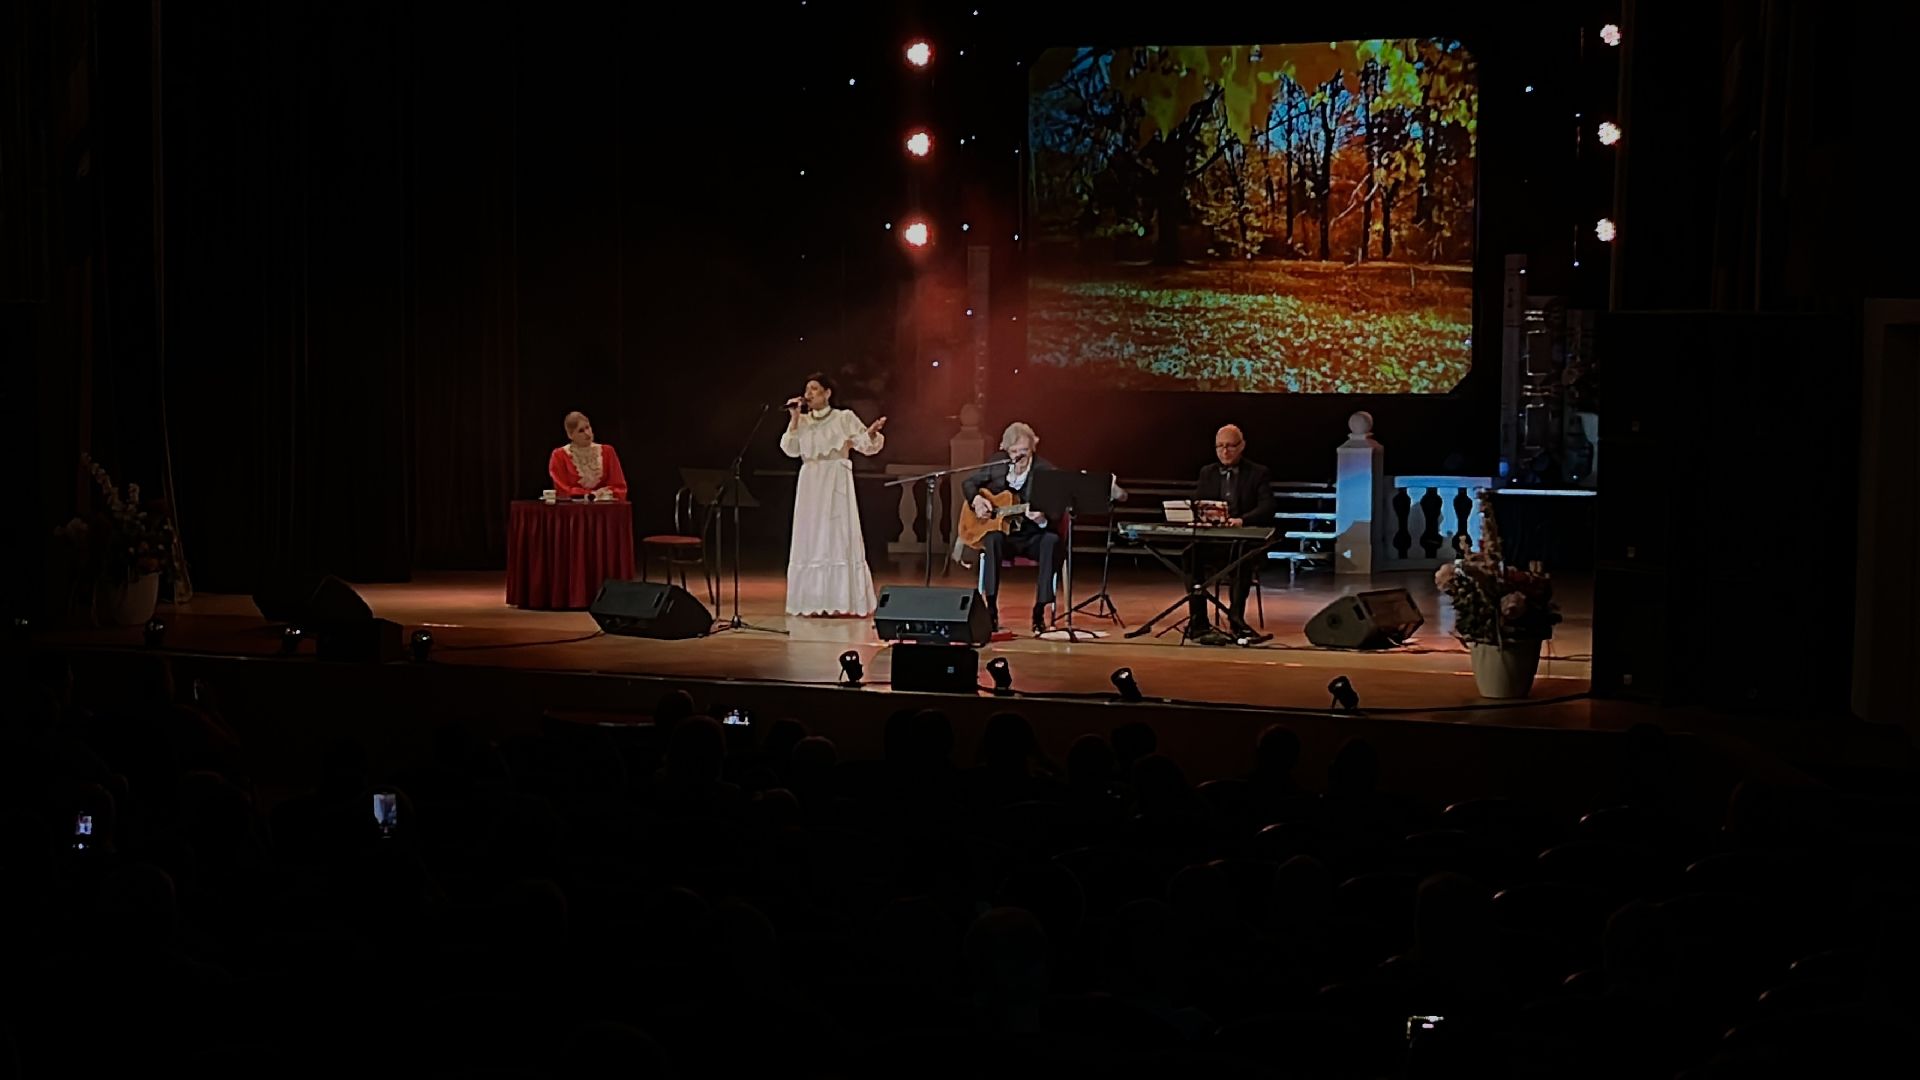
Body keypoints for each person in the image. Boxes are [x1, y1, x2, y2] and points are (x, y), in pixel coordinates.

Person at [779, 372, 887, 616]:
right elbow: (790, 449)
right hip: (810, 481)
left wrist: (870, 433)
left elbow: (865, 445)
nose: (809, 394)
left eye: (815, 389)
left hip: (835, 479)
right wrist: (795, 418)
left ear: (827, 393)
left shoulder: (843, 417)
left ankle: (842, 599)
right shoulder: (803, 421)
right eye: (807, 389)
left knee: (837, 534)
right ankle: (812, 600)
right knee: (811, 536)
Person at [963, 422, 1059, 634]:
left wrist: (1041, 518)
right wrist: (977, 500)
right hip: (1006, 538)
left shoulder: (1046, 472)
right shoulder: (998, 464)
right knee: (992, 539)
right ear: (1005, 450)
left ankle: (1039, 610)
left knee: (1051, 541)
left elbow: (1056, 513)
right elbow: (968, 483)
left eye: (1023, 451)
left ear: (1033, 447)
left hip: (1032, 536)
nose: (1018, 457)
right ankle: (990, 610)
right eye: (1013, 452)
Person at [1187, 424, 1274, 645]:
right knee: (1190, 556)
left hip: (1243, 541)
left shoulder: (1258, 473)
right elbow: (1198, 502)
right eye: (1220, 447)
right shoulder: (1207, 472)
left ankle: (1236, 620)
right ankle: (1198, 623)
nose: (1224, 452)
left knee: (1241, 557)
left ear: (1242, 446)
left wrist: (1242, 520)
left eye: (1230, 446)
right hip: (1214, 541)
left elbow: (1267, 507)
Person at [547, 412, 628, 500]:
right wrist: (590, 494)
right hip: (573, 510)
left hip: (604, 509)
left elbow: (619, 486)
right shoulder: (559, 455)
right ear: (570, 435)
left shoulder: (607, 451)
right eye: (581, 431)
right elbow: (562, 489)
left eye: (587, 427)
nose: (587, 433)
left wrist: (607, 493)